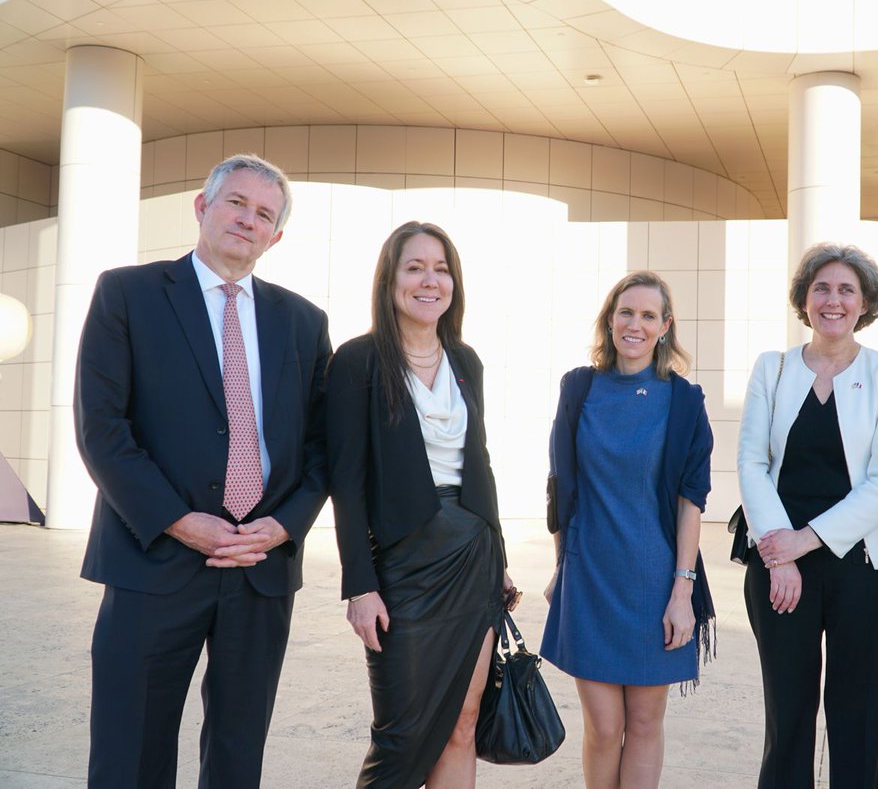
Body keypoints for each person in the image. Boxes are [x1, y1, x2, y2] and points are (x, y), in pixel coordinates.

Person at [75, 154, 331, 788]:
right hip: (153, 559)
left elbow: (326, 446)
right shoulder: (128, 294)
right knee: (129, 754)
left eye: (264, 213)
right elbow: (102, 430)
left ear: (277, 236)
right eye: (236, 203)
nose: (248, 220)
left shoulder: (303, 321)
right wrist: (178, 521)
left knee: (238, 757)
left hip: (259, 567)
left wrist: (282, 527)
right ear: (202, 206)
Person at [325, 221, 517, 789]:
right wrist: (359, 585)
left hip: (473, 558)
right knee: (402, 735)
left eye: (441, 269)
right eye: (415, 268)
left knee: (462, 722)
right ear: (389, 281)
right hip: (403, 565)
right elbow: (347, 481)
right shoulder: (357, 362)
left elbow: (479, 463)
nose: (430, 281)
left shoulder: (466, 361)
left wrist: (500, 558)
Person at [736, 242, 878, 788]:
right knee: (787, 714)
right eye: (821, 288)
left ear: (865, 304)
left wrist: (805, 540)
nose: (832, 300)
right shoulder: (772, 368)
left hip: (867, 565)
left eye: (846, 290)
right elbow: (751, 462)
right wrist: (780, 552)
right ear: (804, 299)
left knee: (858, 717)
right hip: (777, 564)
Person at [541, 270, 715, 789]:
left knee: (643, 723)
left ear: (665, 326)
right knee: (604, 726)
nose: (634, 324)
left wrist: (682, 592)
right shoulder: (579, 388)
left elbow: (691, 502)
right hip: (591, 578)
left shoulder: (684, 401)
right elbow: (561, 490)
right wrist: (561, 566)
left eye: (647, 315)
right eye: (625, 312)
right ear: (610, 320)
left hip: (655, 583)